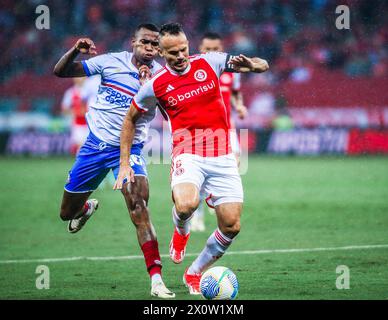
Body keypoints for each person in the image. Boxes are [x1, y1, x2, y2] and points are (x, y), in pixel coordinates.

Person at [114, 23, 269, 295]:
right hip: (187, 151)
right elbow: (130, 119)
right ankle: (181, 231)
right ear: (161, 53)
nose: (180, 56)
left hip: (222, 153)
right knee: (186, 205)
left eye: (183, 49)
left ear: (189, 45)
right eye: (173, 52)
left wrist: (256, 66)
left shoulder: (210, 62)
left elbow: (261, 64)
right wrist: (125, 162)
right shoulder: (156, 85)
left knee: (232, 225)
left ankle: (194, 272)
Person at [53, 23, 175, 299]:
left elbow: (170, 116)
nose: (150, 48)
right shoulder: (110, 62)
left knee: (139, 206)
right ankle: (84, 210)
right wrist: (75, 51)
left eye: (155, 45)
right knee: (66, 213)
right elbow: (60, 72)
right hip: (95, 146)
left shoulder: (162, 76)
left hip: (131, 149)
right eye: (145, 42)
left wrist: (149, 88)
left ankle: (156, 280)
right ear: (133, 42)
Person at [190, 32, 249, 232]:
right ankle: (197, 215)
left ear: (221, 49)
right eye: (208, 49)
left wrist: (239, 105)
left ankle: (215, 196)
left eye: (216, 49)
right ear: (200, 49)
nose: (212, 52)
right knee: (200, 174)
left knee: (235, 162)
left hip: (226, 125)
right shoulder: (193, 70)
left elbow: (235, 92)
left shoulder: (232, 71)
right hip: (202, 128)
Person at [61, 76, 100, 155]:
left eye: (82, 77)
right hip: (78, 124)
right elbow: (64, 109)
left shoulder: (91, 89)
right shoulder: (70, 92)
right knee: (81, 146)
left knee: (91, 147)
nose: (79, 79)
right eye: (77, 77)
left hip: (92, 123)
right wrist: (76, 112)